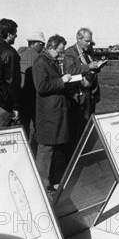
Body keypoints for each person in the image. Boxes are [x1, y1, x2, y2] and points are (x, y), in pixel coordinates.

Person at [32, 35, 72, 190]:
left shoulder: (50, 62)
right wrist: (62, 81)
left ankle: (51, 180)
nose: (61, 54)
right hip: (48, 112)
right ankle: (42, 184)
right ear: (50, 48)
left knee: (54, 147)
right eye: (59, 51)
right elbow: (41, 86)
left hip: (55, 110)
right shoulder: (41, 63)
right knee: (46, 147)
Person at [64, 27, 103, 154]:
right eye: (87, 41)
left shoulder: (89, 51)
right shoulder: (70, 52)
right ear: (79, 39)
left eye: (90, 41)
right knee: (77, 126)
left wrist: (97, 67)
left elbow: (91, 66)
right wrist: (88, 67)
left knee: (87, 125)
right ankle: (74, 156)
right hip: (78, 95)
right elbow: (69, 71)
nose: (89, 44)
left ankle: (85, 152)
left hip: (89, 93)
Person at [18, 31, 45, 154]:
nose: (43, 47)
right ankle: (34, 153)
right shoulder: (37, 58)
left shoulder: (21, 55)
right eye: (42, 44)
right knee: (38, 127)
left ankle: (22, 153)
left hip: (21, 97)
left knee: (23, 127)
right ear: (35, 43)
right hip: (34, 98)